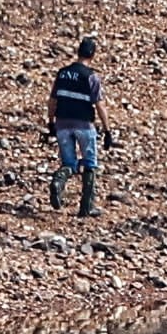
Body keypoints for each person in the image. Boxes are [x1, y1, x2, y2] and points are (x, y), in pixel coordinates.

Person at [48, 35, 106, 216]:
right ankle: (86, 208)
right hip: (84, 125)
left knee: (68, 162)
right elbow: (100, 105)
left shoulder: (62, 73)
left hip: (62, 123)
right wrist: (108, 128)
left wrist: (51, 122)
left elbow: (52, 101)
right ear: (93, 55)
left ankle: (59, 181)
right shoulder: (91, 77)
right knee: (89, 163)